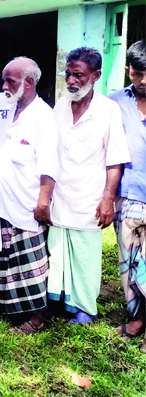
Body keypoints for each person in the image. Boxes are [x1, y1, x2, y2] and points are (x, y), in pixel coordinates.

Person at [48, 47, 131, 324]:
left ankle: (85, 307)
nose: (71, 80)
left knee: (84, 253)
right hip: (59, 195)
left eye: (78, 75)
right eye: (68, 74)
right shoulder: (60, 104)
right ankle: (59, 300)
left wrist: (108, 198)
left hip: (89, 196)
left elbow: (115, 159)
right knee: (58, 250)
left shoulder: (108, 110)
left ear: (95, 76)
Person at [0, 57, 58, 334]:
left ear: (28, 83)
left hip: (26, 202)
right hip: (2, 201)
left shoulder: (43, 116)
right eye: (3, 80)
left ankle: (36, 317)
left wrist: (43, 201)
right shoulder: (5, 110)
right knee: (4, 256)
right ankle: (7, 307)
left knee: (29, 264)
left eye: (10, 81)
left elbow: (49, 164)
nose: (4, 86)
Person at [109, 40, 146, 349]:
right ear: (128, 71)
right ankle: (136, 318)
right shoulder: (115, 102)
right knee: (129, 261)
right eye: (138, 74)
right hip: (127, 194)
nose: (143, 80)